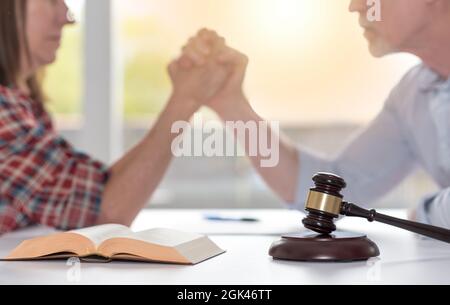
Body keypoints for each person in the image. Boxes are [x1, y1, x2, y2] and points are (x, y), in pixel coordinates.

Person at [179, 0, 450, 228]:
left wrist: (424, 213)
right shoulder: (413, 94)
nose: (355, 6)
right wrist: (232, 105)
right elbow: (338, 190)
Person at [0, 0, 228, 234]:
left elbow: (98, 191)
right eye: (51, 1)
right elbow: (105, 212)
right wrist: (185, 99)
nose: (68, 17)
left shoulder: (23, 106)